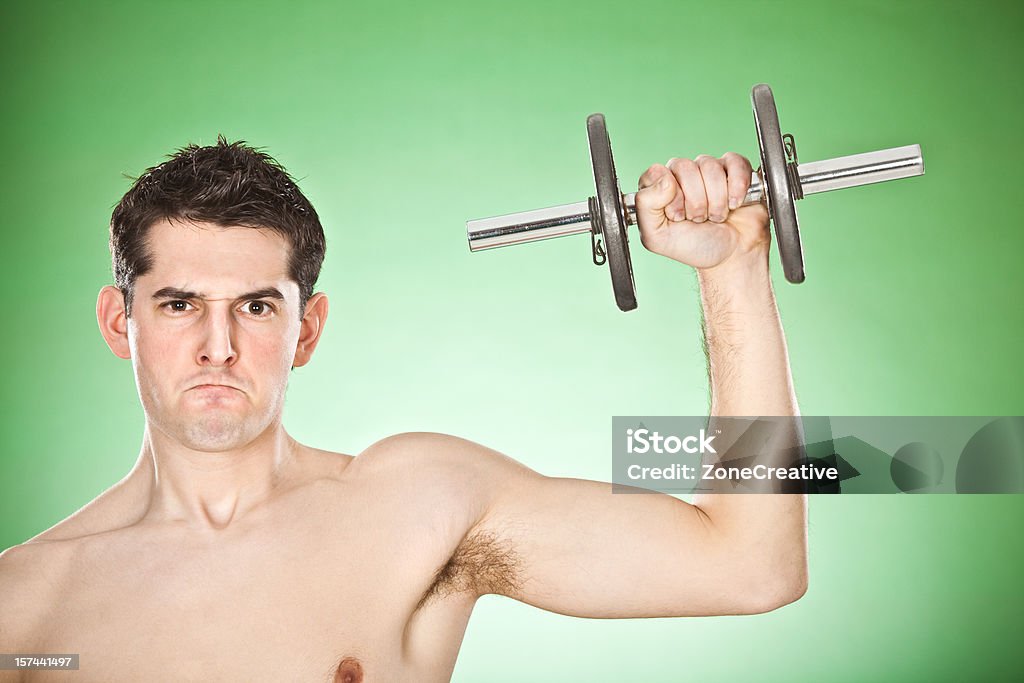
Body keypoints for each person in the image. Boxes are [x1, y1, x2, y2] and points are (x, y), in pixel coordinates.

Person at [0, 138, 806, 682]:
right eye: (178, 305)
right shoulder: (24, 606)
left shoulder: (416, 505)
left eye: (255, 306)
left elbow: (749, 563)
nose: (218, 346)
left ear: (306, 328)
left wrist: (732, 271)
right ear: (119, 322)